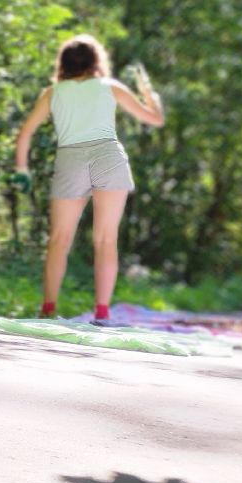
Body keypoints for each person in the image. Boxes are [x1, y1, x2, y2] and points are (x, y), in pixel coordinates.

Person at [12, 37, 165, 321]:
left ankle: (48, 310)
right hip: (108, 155)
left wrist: (22, 170)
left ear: (64, 63)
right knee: (106, 240)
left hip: (70, 159)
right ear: (96, 61)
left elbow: (25, 134)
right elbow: (154, 120)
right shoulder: (110, 87)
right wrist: (150, 95)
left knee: (59, 239)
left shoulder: (52, 92)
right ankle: (102, 313)